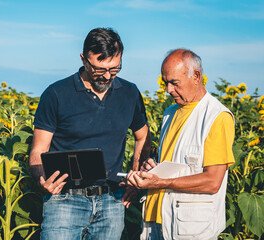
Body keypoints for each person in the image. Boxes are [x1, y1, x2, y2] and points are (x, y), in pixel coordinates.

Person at [29, 27, 151, 240]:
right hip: (64, 200)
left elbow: (143, 137)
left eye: (114, 69)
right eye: (99, 69)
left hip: (112, 200)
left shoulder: (130, 93)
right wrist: (41, 178)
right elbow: (39, 148)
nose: (106, 76)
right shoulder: (56, 93)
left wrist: (135, 178)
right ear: (84, 59)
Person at [126, 49, 235, 240]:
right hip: (155, 219)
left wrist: (161, 182)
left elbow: (212, 181)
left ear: (196, 76)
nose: (168, 90)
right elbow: (174, 163)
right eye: (165, 82)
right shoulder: (170, 113)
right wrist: (152, 168)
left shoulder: (217, 117)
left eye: (174, 83)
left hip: (189, 227)